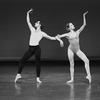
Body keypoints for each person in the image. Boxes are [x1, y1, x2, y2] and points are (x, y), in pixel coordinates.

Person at [14, 9, 63, 83]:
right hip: (30, 49)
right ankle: (18, 74)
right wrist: (27, 13)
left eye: (37, 23)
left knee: (37, 63)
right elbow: (28, 22)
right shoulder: (32, 30)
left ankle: (37, 78)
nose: (35, 23)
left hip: (37, 49)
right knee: (21, 60)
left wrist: (58, 38)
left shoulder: (42, 33)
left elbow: (51, 38)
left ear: (39, 25)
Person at [57, 11, 92, 84]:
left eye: (72, 24)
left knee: (87, 60)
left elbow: (84, 24)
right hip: (70, 50)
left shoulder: (77, 32)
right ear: (69, 28)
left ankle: (88, 75)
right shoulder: (67, 34)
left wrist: (83, 15)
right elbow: (58, 36)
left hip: (77, 49)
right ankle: (72, 79)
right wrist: (61, 41)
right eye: (71, 25)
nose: (73, 25)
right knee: (72, 64)